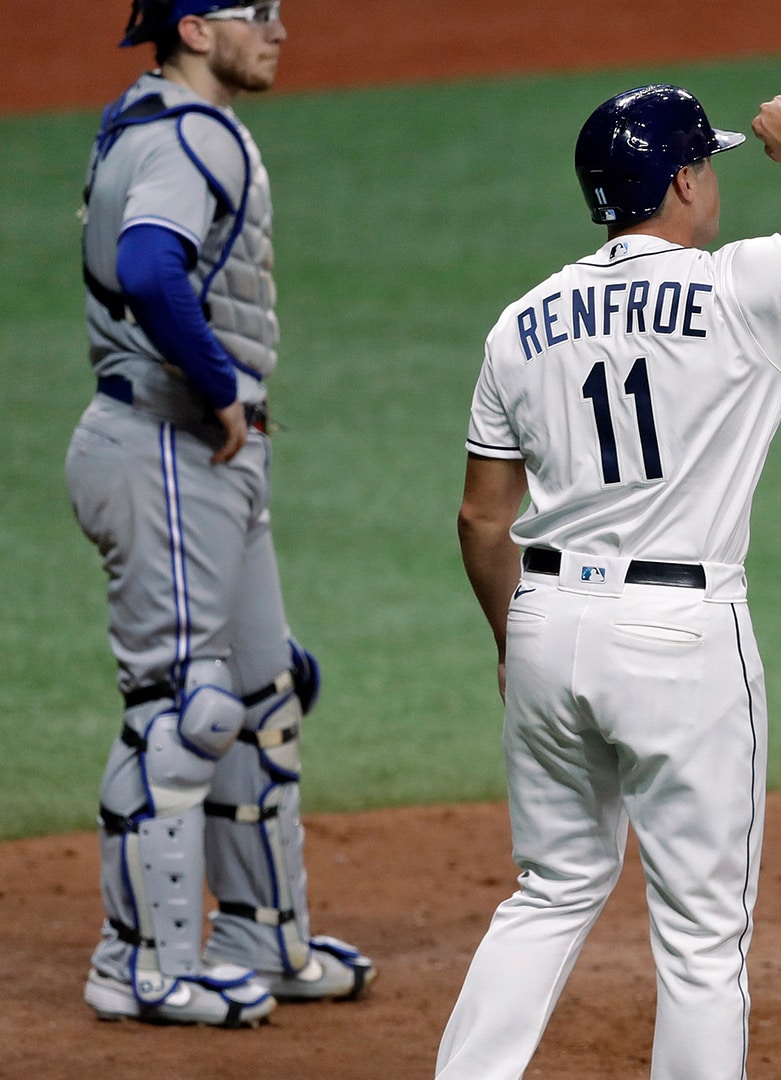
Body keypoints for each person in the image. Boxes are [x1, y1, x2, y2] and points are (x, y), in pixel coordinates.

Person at [436, 84, 781, 1080]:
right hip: (676, 635)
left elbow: (482, 516)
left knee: (552, 888)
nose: (714, 184)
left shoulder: (520, 322)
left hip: (543, 619)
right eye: (704, 166)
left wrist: (513, 640)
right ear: (681, 182)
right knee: (704, 937)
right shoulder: (742, 288)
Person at [70, 0, 376, 1028]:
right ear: (195, 29)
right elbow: (151, 269)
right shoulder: (185, 135)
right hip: (165, 441)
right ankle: (139, 964)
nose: (279, 28)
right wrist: (218, 384)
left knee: (265, 694)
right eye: (256, 12)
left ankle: (261, 936)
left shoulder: (165, 123)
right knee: (182, 711)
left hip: (200, 454)